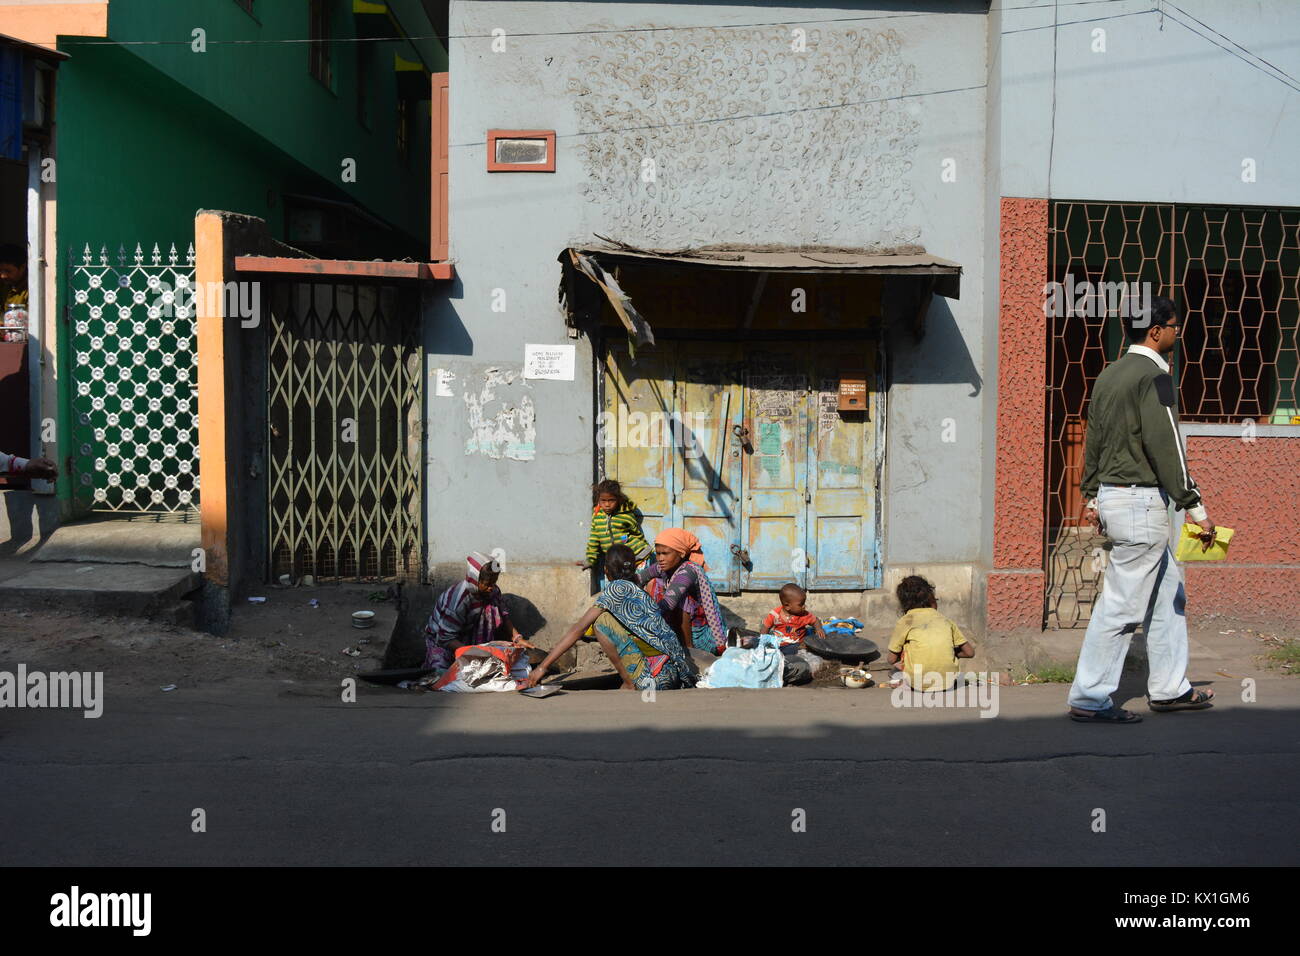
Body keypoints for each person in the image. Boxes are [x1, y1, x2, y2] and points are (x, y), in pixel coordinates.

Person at [1068, 296, 1216, 723]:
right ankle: (1090, 697)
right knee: (1121, 607)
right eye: (1174, 325)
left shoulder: (1109, 375)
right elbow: (1166, 443)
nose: (1177, 332)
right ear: (1156, 331)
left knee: (1168, 595)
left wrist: (1093, 494)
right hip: (1141, 504)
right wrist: (1195, 506)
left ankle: (1170, 689)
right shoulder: (1155, 376)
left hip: (1116, 499)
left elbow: (1093, 438)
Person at [526, 544, 694, 690]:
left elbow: (578, 629)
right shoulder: (639, 591)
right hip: (674, 674)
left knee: (601, 622)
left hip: (654, 679)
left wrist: (542, 667)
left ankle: (630, 683)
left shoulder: (615, 589)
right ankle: (633, 678)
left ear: (606, 570)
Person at [422, 552, 534, 670]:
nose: (491, 587)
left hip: (472, 641)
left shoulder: (493, 592)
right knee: (441, 676)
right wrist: (473, 653)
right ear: (475, 579)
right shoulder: (458, 599)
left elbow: (504, 617)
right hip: (445, 642)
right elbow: (445, 637)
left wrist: (517, 638)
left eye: (494, 582)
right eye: (486, 584)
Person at [637, 528, 726, 654]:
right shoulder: (663, 566)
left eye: (665, 553)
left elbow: (668, 602)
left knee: (683, 599)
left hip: (700, 635)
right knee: (654, 582)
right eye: (658, 553)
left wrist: (640, 619)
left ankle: (689, 651)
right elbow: (639, 579)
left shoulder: (689, 570)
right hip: (675, 626)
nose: (660, 558)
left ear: (681, 553)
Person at [886, 575, 975, 692]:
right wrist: (951, 653)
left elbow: (891, 659)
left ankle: (905, 683)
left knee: (895, 670)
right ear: (932, 600)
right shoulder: (947, 621)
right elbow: (970, 652)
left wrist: (904, 656)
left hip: (919, 683)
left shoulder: (906, 621)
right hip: (948, 682)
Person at [575, 479, 651, 588]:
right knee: (615, 589)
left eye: (611, 500)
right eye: (603, 500)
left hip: (636, 557)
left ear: (618, 499)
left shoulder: (625, 514)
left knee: (636, 588)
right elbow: (594, 540)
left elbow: (636, 533)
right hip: (615, 561)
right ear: (598, 500)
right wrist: (590, 560)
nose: (607, 505)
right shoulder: (597, 517)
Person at [759, 582, 827, 685]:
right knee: (773, 656)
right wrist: (762, 641)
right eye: (801, 604)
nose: (804, 606)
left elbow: (815, 620)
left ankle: (791, 669)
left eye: (804, 603)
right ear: (787, 606)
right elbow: (766, 627)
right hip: (779, 645)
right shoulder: (775, 615)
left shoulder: (804, 615)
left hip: (797, 645)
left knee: (804, 655)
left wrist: (819, 629)